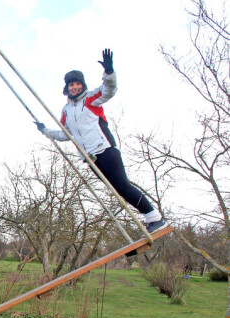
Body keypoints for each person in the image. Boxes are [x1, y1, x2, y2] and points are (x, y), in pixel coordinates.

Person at [35, 49, 167, 234]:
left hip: (105, 150)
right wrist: (45, 131)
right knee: (118, 189)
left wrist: (109, 72)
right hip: (90, 158)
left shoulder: (91, 98)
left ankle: (155, 217)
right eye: (71, 84)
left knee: (122, 185)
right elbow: (66, 134)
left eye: (77, 84)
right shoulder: (66, 110)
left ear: (82, 85)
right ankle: (152, 218)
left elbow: (109, 90)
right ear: (67, 87)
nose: (74, 87)